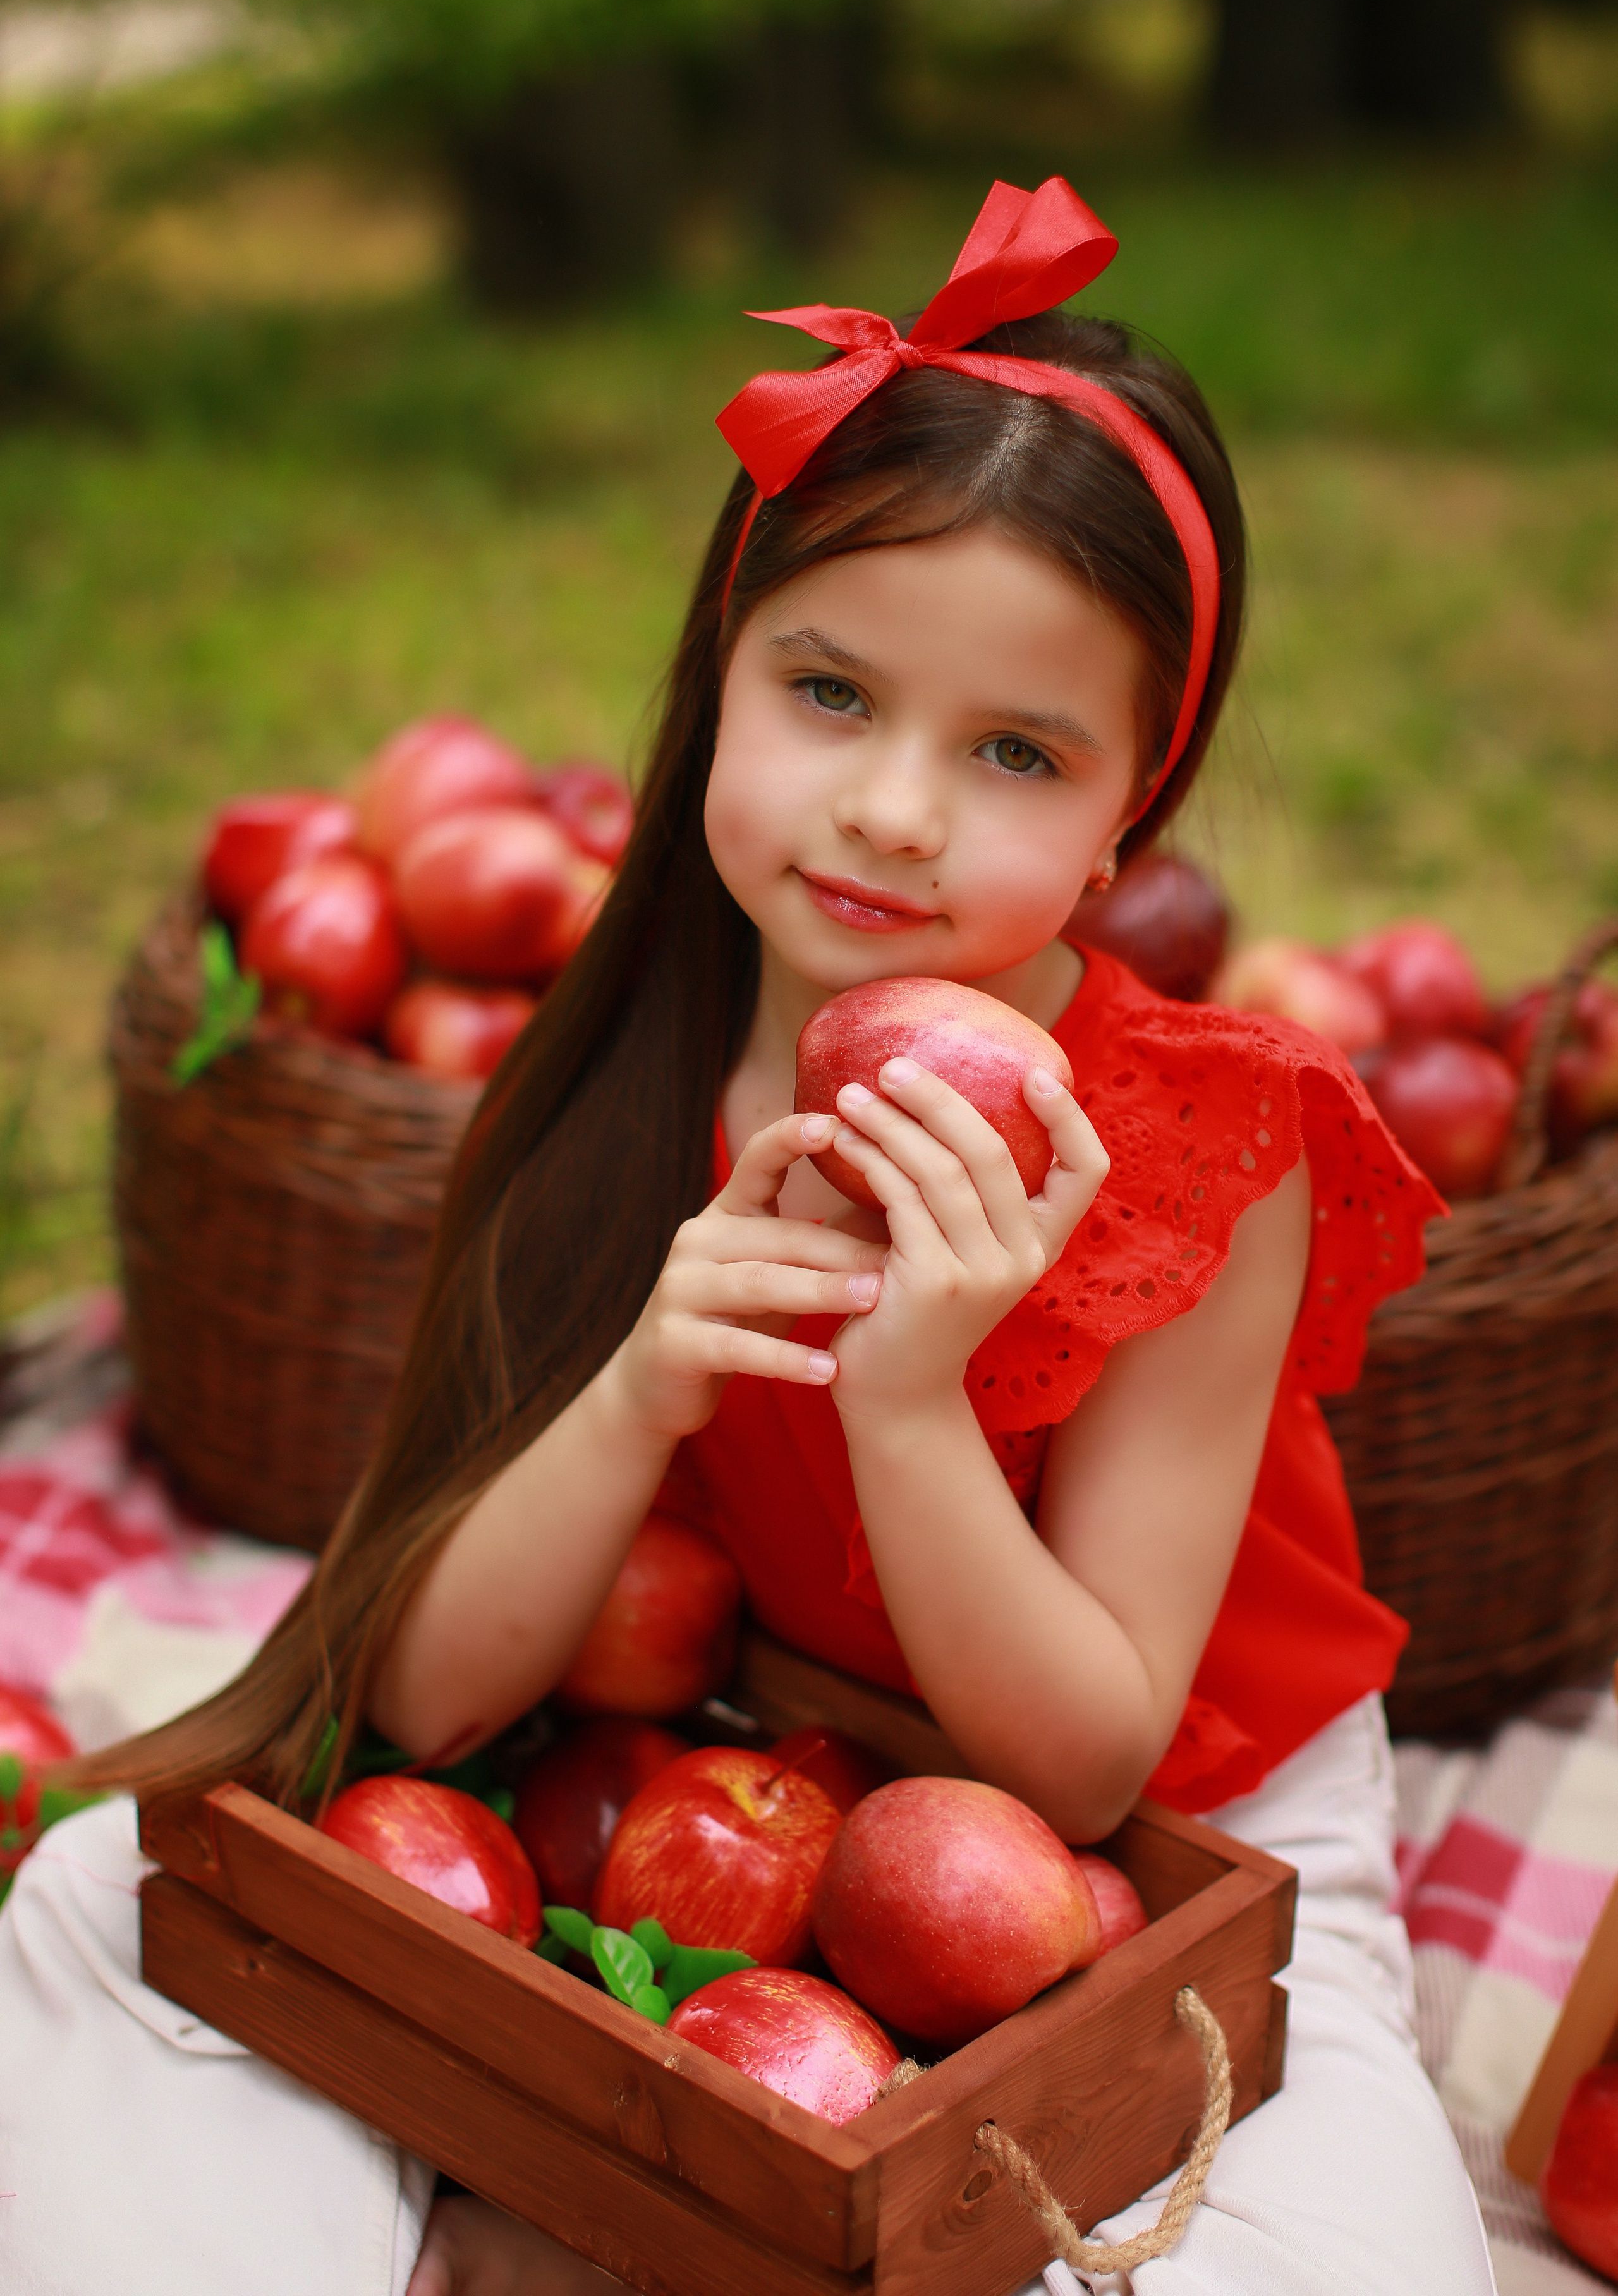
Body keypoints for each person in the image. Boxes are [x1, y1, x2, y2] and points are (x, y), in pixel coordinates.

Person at [0, 178, 1495, 2296]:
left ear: (1124, 823)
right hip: (745, 1762)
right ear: (720, 676)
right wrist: (632, 1393)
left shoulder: (1201, 1154)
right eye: (826, 693)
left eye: (1012, 753)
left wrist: (907, 1401)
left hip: (1180, 1846)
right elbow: (428, 1699)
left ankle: (529, 2233)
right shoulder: (637, 1073)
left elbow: (1082, 1763)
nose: (892, 808)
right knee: (98, 1915)